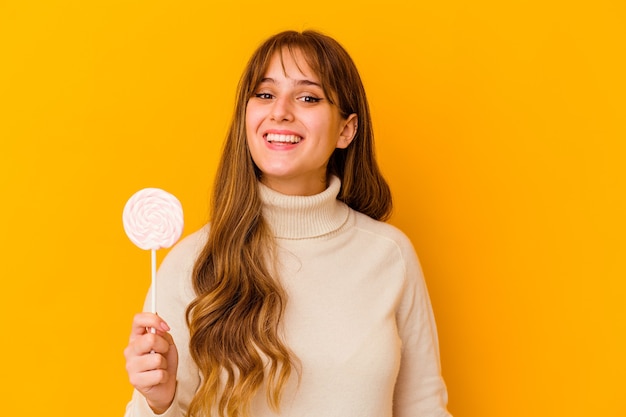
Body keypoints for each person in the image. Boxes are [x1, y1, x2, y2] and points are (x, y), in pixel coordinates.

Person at [124, 30, 451, 417]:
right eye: (265, 94)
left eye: (308, 97)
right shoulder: (193, 262)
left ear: (346, 130)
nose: (280, 111)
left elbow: (423, 408)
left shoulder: (390, 255)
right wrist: (156, 401)